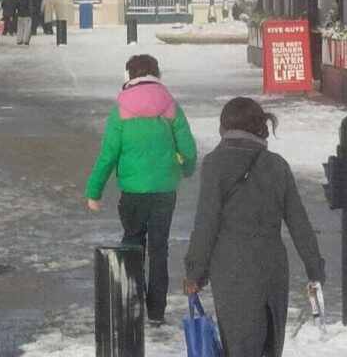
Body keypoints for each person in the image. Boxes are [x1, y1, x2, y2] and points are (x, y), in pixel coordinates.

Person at [183, 97, 325, 356]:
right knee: (270, 347)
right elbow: (298, 222)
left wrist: (195, 272)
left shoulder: (216, 163)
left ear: (224, 128)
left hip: (232, 268)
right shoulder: (277, 165)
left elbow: (207, 221)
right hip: (273, 267)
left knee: (239, 347)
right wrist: (314, 267)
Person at [86, 54, 197, 325]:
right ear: (157, 74)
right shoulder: (170, 105)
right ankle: (156, 312)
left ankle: (131, 304)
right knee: (160, 248)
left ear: (129, 76)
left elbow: (109, 154)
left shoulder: (120, 109)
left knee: (133, 243)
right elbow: (189, 148)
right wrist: (187, 168)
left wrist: (94, 190)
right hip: (164, 190)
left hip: (133, 191)